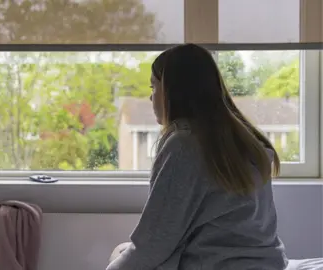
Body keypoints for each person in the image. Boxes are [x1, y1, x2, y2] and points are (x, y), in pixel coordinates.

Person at [106, 44, 288, 270]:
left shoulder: (185, 145)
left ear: (173, 91)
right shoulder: (243, 141)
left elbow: (153, 244)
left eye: (154, 86)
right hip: (266, 264)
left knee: (119, 255)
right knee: (124, 252)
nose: (151, 96)